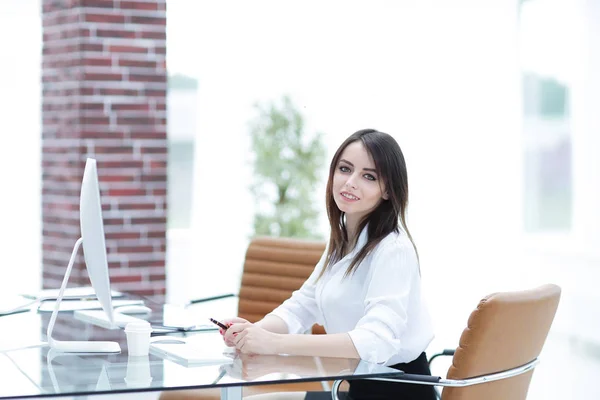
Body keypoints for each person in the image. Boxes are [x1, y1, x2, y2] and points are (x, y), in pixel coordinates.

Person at [222, 129, 436, 400]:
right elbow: (300, 307)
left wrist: (275, 343)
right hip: (355, 387)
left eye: (368, 176)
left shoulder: (393, 249)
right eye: (345, 169)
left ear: (387, 190)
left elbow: (377, 340)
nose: (350, 182)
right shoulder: (344, 239)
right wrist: (253, 331)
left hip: (397, 392)